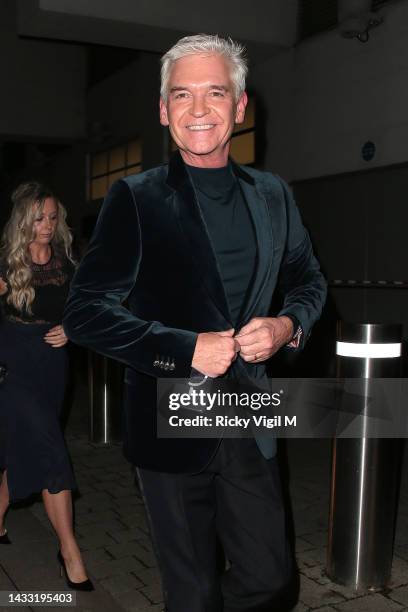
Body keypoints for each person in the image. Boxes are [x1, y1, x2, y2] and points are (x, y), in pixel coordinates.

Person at [63, 34, 327, 611]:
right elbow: (83, 313)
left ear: (239, 106)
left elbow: (310, 279)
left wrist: (287, 326)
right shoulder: (136, 197)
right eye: (183, 95)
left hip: (249, 412)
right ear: (164, 110)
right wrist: (183, 348)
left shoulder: (273, 195)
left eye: (216, 93)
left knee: (272, 579)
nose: (199, 109)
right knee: (191, 590)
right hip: (169, 415)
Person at [0, 182, 93, 591]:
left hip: (53, 365)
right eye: (39, 218)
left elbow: (85, 309)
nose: (47, 225)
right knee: (52, 449)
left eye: (53, 217)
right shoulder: (7, 264)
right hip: (13, 364)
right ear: (24, 220)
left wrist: (72, 330)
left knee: (23, 449)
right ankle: (70, 553)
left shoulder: (67, 263)